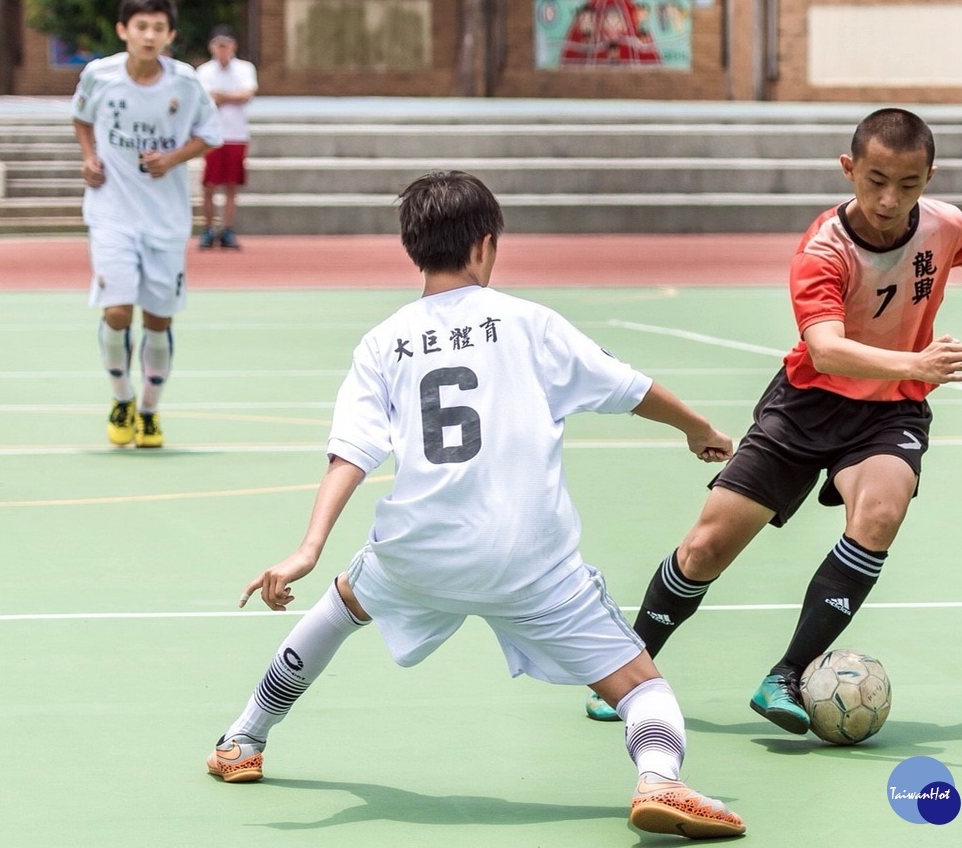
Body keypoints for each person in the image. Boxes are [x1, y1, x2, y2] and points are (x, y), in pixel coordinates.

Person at [206, 171, 746, 840]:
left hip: (421, 550)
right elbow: (632, 388)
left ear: (413, 248)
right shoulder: (529, 323)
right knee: (640, 685)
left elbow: (351, 450)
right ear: (486, 246)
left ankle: (242, 739)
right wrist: (698, 429)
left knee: (342, 606)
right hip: (531, 558)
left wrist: (309, 547)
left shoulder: (383, 342)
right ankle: (660, 780)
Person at [583, 108, 962, 733]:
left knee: (881, 513)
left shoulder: (944, 225)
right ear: (848, 169)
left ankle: (786, 674)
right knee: (705, 547)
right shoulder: (821, 249)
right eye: (876, 179)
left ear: (930, 177)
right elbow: (826, 348)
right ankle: (631, 670)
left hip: (891, 411)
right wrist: (916, 358)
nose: (890, 199)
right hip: (807, 406)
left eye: (909, 184)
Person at [72, 0, 222, 448]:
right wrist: (89, 156)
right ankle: (121, 398)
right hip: (111, 214)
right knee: (117, 310)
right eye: (141, 26)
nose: (149, 35)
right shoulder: (100, 76)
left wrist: (173, 159)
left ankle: (150, 410)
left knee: (158, 320)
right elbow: (81, 117)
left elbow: (209, 135)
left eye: (159, 27)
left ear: (170, 34)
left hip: (166, 221)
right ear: (123, 31)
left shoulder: (186, 82)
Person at [195, 25, 257, 250]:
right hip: (212, 135)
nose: (223, 50)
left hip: (236, 134)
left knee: (231, 185)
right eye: (219, 46)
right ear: (212, 47)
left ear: (233, 46)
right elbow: (204, 98)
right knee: (209, 184)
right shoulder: (204, 71)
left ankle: (228, 229)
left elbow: (247, 94)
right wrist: (232, 97)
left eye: (226, 45)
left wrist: (222, 96)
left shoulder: (244, 68)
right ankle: (208, 228)